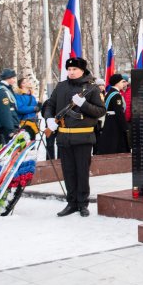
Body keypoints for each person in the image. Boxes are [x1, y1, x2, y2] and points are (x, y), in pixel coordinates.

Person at [43, 57, 106, 217]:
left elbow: (100, 111)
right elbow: (50, 104)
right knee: (68, 172)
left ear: (82, 70)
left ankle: (83, 204)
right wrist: (49, 119)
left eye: (74, 70)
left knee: (82, 172)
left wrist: (83, 104)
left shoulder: (91, 89)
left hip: (83, 138)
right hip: (64, 138)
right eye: (69, 70)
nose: (71, 72)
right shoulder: (61, 86)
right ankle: (71, 203)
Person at [97, 74, 130, 155]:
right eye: (122, 82)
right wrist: (125, 126)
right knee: (116, 145)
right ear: (117, 83)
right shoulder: (116, 95)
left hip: (109, 120)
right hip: (115, 122)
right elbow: (119, 112)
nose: (123, 84)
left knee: (109, 143)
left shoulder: (110, 93)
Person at [0, 68, 19, 145]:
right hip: (6, 127)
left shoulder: (7, 89)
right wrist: (10, 130)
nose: (14, 80)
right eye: (13, 78)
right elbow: (5, 112)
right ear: (8, 78)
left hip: (10, 124)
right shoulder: (3, 92)